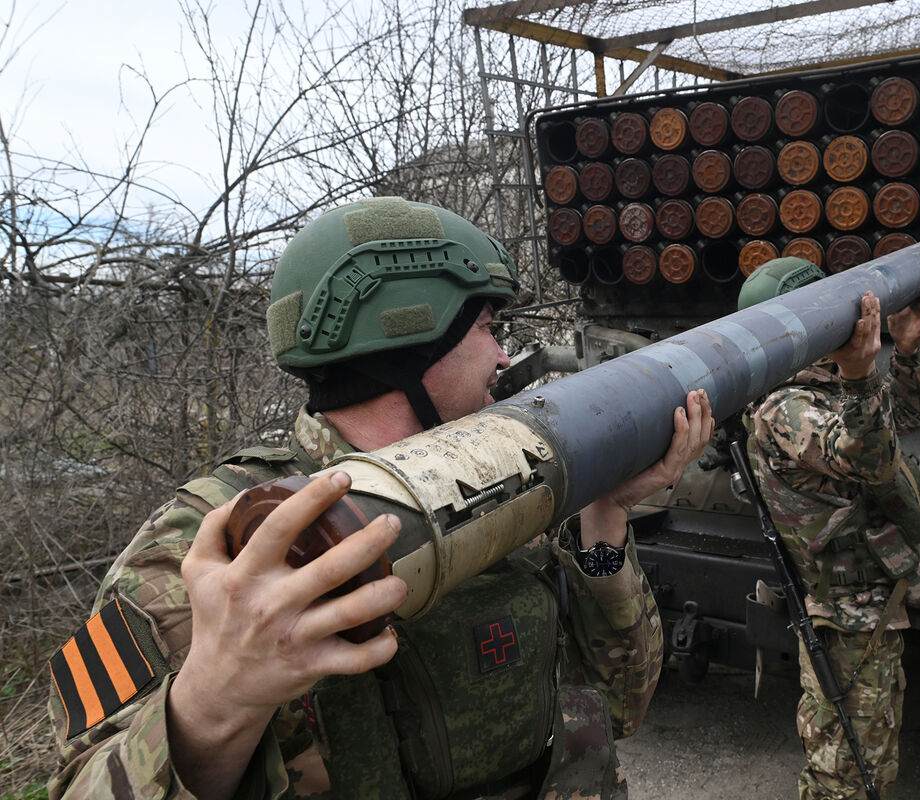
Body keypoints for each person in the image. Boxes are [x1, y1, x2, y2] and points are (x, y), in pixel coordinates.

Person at [47, 196, 713, 800]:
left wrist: (605, 510)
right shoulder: (221, 543)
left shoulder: (510, 469)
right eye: (486, 325)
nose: (504, 357)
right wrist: (213, 703)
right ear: (412, 336)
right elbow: (82, 782)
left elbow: (620, 704)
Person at [737, 257, 920, 800]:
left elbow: (908, 416)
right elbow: (870, 458)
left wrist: (904, 353)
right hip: (846, 621)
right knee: (846, 777)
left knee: (869, 761)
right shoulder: (784, 408)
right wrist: (860, 375)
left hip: (871, 614)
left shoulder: (821, 382)